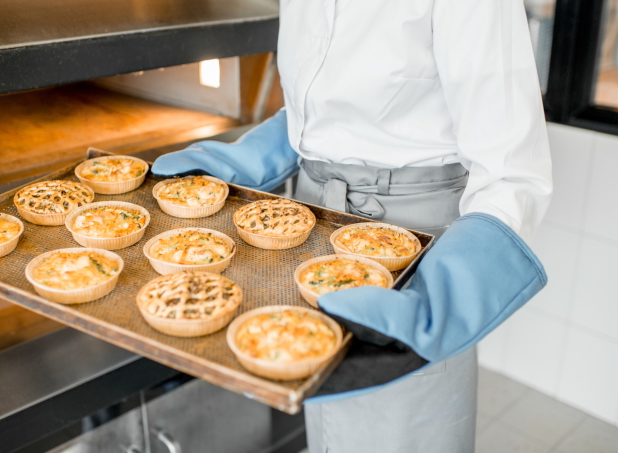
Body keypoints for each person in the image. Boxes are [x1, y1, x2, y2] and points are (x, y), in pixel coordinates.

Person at [153, 0, 552, 451]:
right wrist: (246, 156)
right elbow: (324, 113)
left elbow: (513, 171)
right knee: (329, 420)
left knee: (399, 422)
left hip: (418, 248)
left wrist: (444, 299)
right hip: (312, 225)